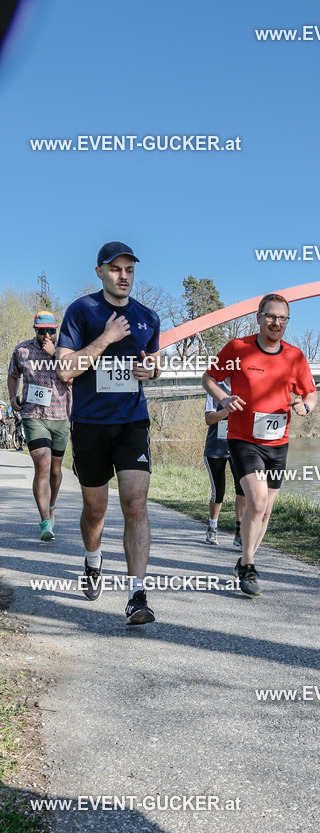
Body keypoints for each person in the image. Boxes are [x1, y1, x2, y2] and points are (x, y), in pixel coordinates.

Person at [55, 242, 161, 625]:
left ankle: (137, 595)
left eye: (129, 270)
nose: (124, 276)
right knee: (95, 510)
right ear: (100, 271)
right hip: (90, 425)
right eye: (115, 269)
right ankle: (93, 560)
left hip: (132, 422)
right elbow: (65, 372)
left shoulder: (148, 316)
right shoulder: (82, 311)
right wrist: (106, 338)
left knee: (135, 503)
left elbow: (154, 361)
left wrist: (153, 371)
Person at [202, 292, 317, 596]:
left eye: (282, 318)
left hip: (278, 442)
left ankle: (243, 562)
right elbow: (209, 378)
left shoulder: (295, 356)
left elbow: (311, 393)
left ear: (286, 322)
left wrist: (305, 406)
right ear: (259, 317)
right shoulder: (237, 348)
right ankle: (249, 563)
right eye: (270, 316)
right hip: (243, 439)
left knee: (265, 512)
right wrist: (223, 398)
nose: (276, 322)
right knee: (258, 501)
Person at [7, 311, 72, 541]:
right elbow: (13, 374)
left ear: (56, 330)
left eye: (50, 331)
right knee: (42, 465)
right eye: (41, 331)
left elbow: (73, 378)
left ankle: (52, 507)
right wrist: (13, 395)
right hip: (33, 414)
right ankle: (45, 522)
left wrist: (55, 355)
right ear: (34, 329)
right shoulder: (22, 350)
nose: (46, 335)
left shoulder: (66, 350)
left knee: (55, 470)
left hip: (61, 415)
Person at [203, 379, 246, 547]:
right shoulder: (215, 389)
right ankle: (212, 527)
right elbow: (209, 419)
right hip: (216, 449)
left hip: (239, 448)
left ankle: (240, 532)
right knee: (218, 492)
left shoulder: (245, 387)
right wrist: (227, 410)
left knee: (242, 490)